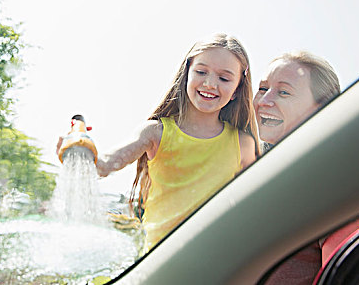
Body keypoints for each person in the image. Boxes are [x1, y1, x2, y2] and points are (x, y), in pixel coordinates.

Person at [76, 32, 260, 251]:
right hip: (160, 259)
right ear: (187, 76)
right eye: (201, 72)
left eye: (224, 78)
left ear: (236, 90)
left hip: (215, 260)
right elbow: (105, 164)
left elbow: (256, 203)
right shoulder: (156, 132)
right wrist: (81, 149)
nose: (210, 83)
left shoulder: (243, 144)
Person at [253, 51, 359, 284]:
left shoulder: (332, 185)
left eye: (283, 92)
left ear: (320, 108)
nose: (263, 101)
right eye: (262, 89)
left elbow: (352, 272)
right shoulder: (257, 172)